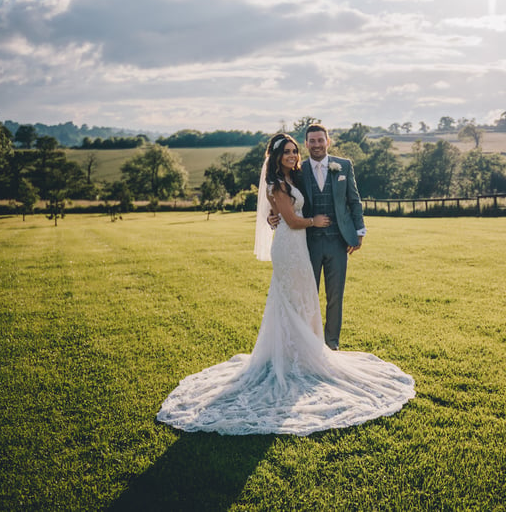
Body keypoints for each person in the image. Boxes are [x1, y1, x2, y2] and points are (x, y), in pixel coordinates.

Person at [157, 133, 413, 436]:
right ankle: (298, 356)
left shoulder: (312, 171)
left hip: (310, 245)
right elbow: (286, 214)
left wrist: (356, 230)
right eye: (290, 150)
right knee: (296, 300)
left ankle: (317, 348)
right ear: (280, 155)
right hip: (297, 245)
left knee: (310, 300)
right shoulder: (281, 181)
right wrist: (289, 220)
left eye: (296, 150)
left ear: (327, 141)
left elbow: (345, 200)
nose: (295, 154)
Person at [269, 123, 365, 350]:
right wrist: (272, 217)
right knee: (305, 296)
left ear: (327, 141)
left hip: (337, 241)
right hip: (307, 243)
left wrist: (359, 231)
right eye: (312, 141)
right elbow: (282, 196)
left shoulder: (343, 166)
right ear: (306, 144)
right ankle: (307, 344)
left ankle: (331, 344)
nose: (316, 145)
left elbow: (354, 201)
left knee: (335, 296)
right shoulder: (297, 169)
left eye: (320, 140)